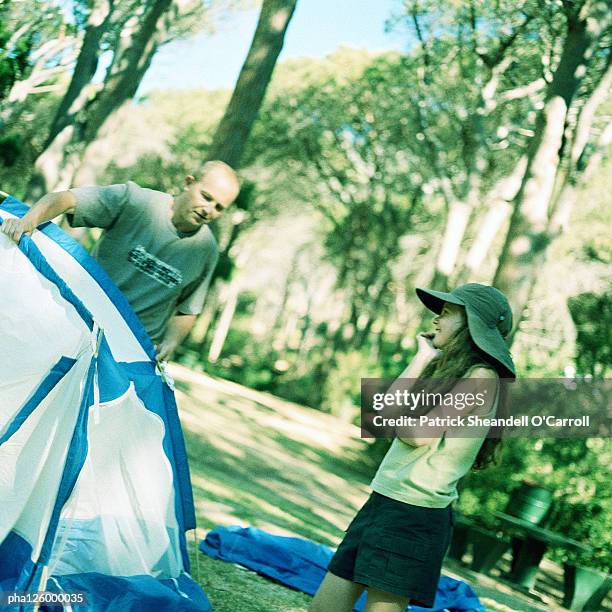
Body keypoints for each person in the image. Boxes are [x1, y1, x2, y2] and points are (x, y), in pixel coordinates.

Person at [311, 283, 516, 612]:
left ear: (472, 324)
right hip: (384, 502)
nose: (436, 320)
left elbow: (420, 434)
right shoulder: (444, 369)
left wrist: (394, 416)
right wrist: (422, 358)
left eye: (447, 314)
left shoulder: (482, 377)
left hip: (415, 515)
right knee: (324, 608)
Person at [1, 161, 240, 361]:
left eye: (219, 207)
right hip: (81, 323)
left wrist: (171, 342)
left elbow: (188, 308)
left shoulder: (207, 249)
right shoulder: (136, 201)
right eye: (206, 197)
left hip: (131, 353)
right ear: (188, 183)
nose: (209, 209)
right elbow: (67, 199)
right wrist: (28, 221)